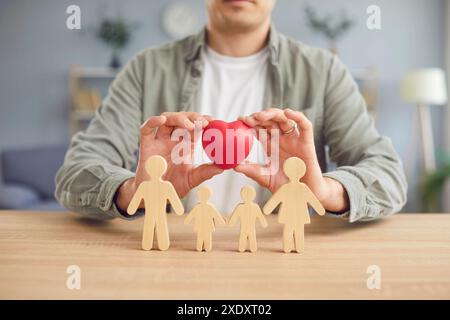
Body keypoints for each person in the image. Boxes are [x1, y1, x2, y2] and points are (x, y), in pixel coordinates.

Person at [55, 0, 407, 223]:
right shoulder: (146, 69)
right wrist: (133, 191)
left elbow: (388, 175)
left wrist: (325, 190)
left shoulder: (324, 71)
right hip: (172, 262)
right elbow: (74, 173)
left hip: (283, 262)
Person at [263, 157, 325, 253]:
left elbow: (312, 199)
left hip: (295, 215)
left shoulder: (293, 188)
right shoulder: (293, 188)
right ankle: (291, 247)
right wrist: (320, 209)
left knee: (294, 231)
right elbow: (276, 199)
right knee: (294, 231)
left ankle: (293, 247)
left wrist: (268, 209)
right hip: (295, 215)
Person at [127, 155, 184, 251]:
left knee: (150, 226)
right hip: (159, 214)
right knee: (161, 227)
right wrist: (179, 210)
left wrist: (131, 209)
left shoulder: (145, 186)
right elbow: (177, 205)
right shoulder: (166, 186)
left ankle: (149, 245)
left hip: (150, 214)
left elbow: (133, 204)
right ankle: (160, 245)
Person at [184, 186, 226, 252]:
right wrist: (222, 221)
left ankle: (203, 247)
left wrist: (186, 221)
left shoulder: (202, 207)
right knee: (203, 237)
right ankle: (203, 247)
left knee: (203, 237)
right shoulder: (203, 207)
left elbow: (217, 216)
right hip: (204, 226)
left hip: (204, 226)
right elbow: (217, 216)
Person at [229, 186, 268, 252]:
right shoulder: (244, 207)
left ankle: (247, 248)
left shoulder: (243, 207)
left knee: (248, 237)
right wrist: (264, 223)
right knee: (247, 237)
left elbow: (260, 217)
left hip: (248, 227)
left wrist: (231, 223)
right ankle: (246, 248)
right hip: (247, 227)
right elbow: (261, 218)